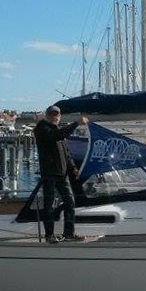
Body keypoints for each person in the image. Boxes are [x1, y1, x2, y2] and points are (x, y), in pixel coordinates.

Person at [34, 105, 89, 244]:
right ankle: (49, 235)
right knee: (49, 205)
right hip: (49, 174)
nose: (55, 117)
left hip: (62, 175)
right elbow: (56, 136)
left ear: (60, 117)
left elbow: (66, 154)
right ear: (47, 116)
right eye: (52, 114)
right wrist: (76, 123)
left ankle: (69, 233)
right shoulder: (42, 129)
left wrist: (73, 168)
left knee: (70, 202)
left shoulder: (58, 130)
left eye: (57, 115)